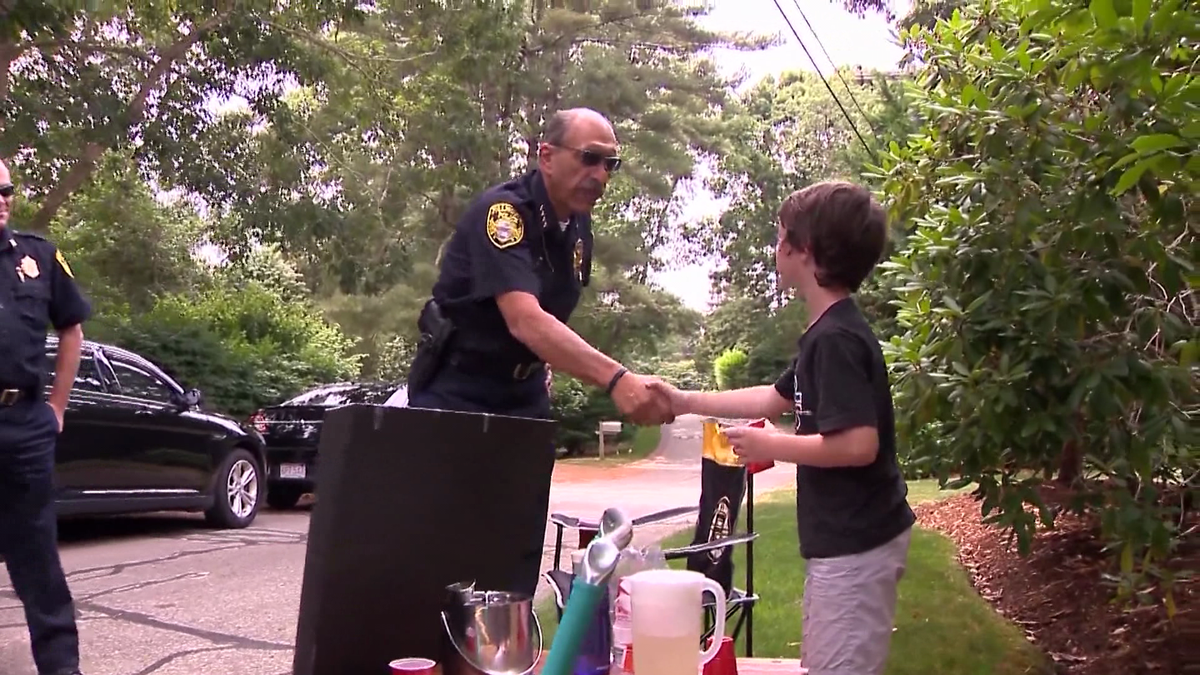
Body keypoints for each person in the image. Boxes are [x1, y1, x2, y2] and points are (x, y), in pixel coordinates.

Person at [649, 181, 915, 675]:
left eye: (779, 237)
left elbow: (859, 444)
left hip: (857, 541)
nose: (775, 248)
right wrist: (683, 401)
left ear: (805, 250)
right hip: (844, 540)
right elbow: (773, 399)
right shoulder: (824, 333)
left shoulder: (836, 339)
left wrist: (772, 444)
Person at [406, 108, 673, 595]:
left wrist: (540, 363)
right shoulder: (505, 214)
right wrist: (617, 379)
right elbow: (525, 318)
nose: (599, 175)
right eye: (589, 159)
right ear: (546, 156)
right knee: (445, 553)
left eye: (610, 164)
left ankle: (506, 662)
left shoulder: (577, 228)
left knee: (515, 547)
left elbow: (549, 318)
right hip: (459, 394)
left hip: (523, 397)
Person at [0, 158, 91, 675]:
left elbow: (71, 328)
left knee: (36, 552)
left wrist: (57, 405)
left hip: (25, 423)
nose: (2, 198)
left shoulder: (37, 256)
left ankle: (60, 667)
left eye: (7, 189)